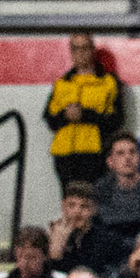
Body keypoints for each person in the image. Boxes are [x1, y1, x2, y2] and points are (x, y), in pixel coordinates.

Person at [46, 32, 124, 187]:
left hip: (94, 152)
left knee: (93, 201)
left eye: (85, 48)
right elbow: (49, 118)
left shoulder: (109, 82)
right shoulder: (62, 83)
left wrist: (85, 115)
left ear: (92, 50)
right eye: (75, 49)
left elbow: (117, 120)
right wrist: (65, 116)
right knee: (70, 201)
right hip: (64, 153)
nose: (80, 53)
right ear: (71, 52)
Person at [95, 134, 140, 250]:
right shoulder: (101, 189)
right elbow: (100, 228)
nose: (128, 158)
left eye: (132, 152)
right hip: (110, 250)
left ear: (139, 157)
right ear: (110, 162)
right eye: (120, 153)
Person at [49, 182, 134, 276]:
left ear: (94, 209)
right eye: (71, 205)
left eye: (84, 206)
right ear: (63, 206)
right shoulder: (51, 237)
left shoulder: (108, 240)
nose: (77, 212)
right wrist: (55, 252)